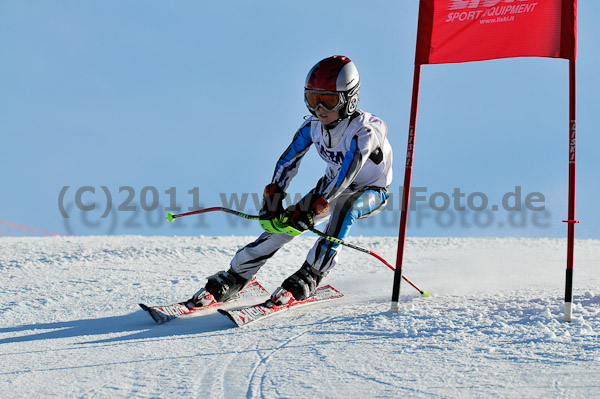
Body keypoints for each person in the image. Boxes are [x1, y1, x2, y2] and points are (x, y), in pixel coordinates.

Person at [192, 55, 393, 307]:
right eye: (313, 99)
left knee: (345, 207)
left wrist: (316, 205)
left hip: (370, 190)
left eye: (329, 101)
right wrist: (274, 197)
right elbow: (288, 161)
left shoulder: (366, 130)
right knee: (284, 223)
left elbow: (348, 174)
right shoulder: (313, 126)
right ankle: (237, 274)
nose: (320, 109)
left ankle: (312, 273)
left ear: (349, 100)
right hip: (329, 187)